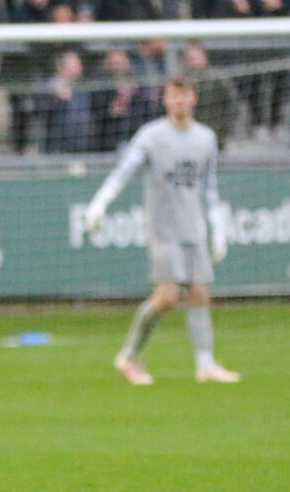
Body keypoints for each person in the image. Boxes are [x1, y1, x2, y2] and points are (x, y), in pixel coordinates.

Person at [82, 78, 240, 386]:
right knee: (167, 296)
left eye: (185, 95)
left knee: (199, 293)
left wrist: (218, 229)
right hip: (164, 228)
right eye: (173, 95)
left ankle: (205, 364)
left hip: (194, 227)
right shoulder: (152, 136)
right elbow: (124, 171)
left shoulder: (205, 138)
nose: (179, 101)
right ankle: (128, 356)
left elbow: (209, 188)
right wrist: (99, 203)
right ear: (166, 100)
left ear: (193, 98)